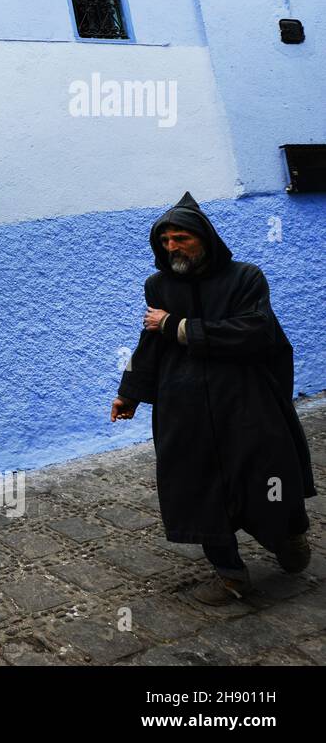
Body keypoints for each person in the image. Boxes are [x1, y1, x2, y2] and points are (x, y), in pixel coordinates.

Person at [111, 192, 315, 605]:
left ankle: (288, 538)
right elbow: (149, 343)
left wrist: (180, 327)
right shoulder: (159, 285)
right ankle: (230, 574)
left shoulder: (245, 279)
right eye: (165, 240)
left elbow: (255, 331)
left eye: (180, 238)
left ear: (204, 238)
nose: (172, 248)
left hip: (245, 400)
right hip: (183, 408)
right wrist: (129, 393)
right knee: (196, 485)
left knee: (268, 475)